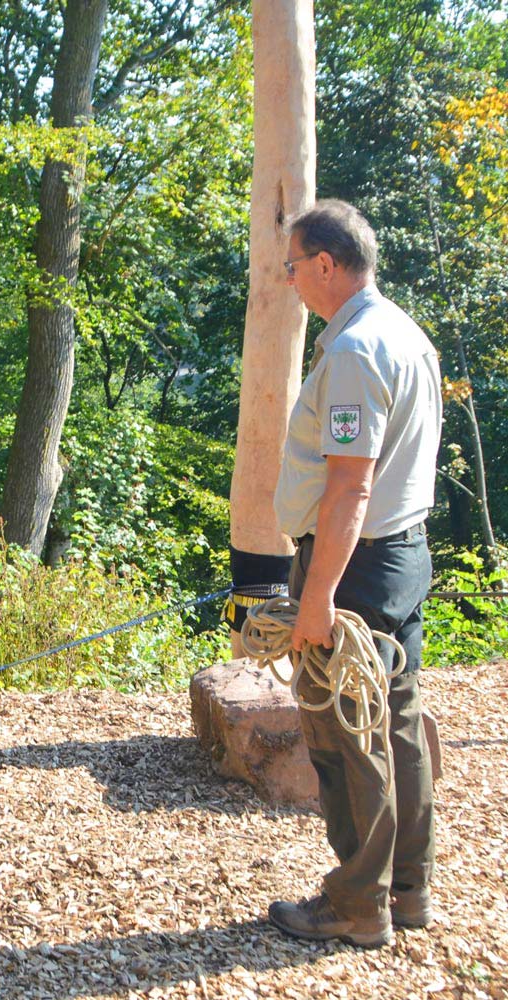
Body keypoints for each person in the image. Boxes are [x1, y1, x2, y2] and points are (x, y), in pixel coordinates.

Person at [270, 199, 441, 948]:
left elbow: (350, 485)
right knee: (395, 724)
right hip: (400, 554)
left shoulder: (353, 351)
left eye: (294, 265)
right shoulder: (405, 333)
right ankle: (408, 890)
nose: (291, 279)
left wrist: (319, 596)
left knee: (349, 736)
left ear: (328, 265)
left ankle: (356, 905)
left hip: (357, 562)